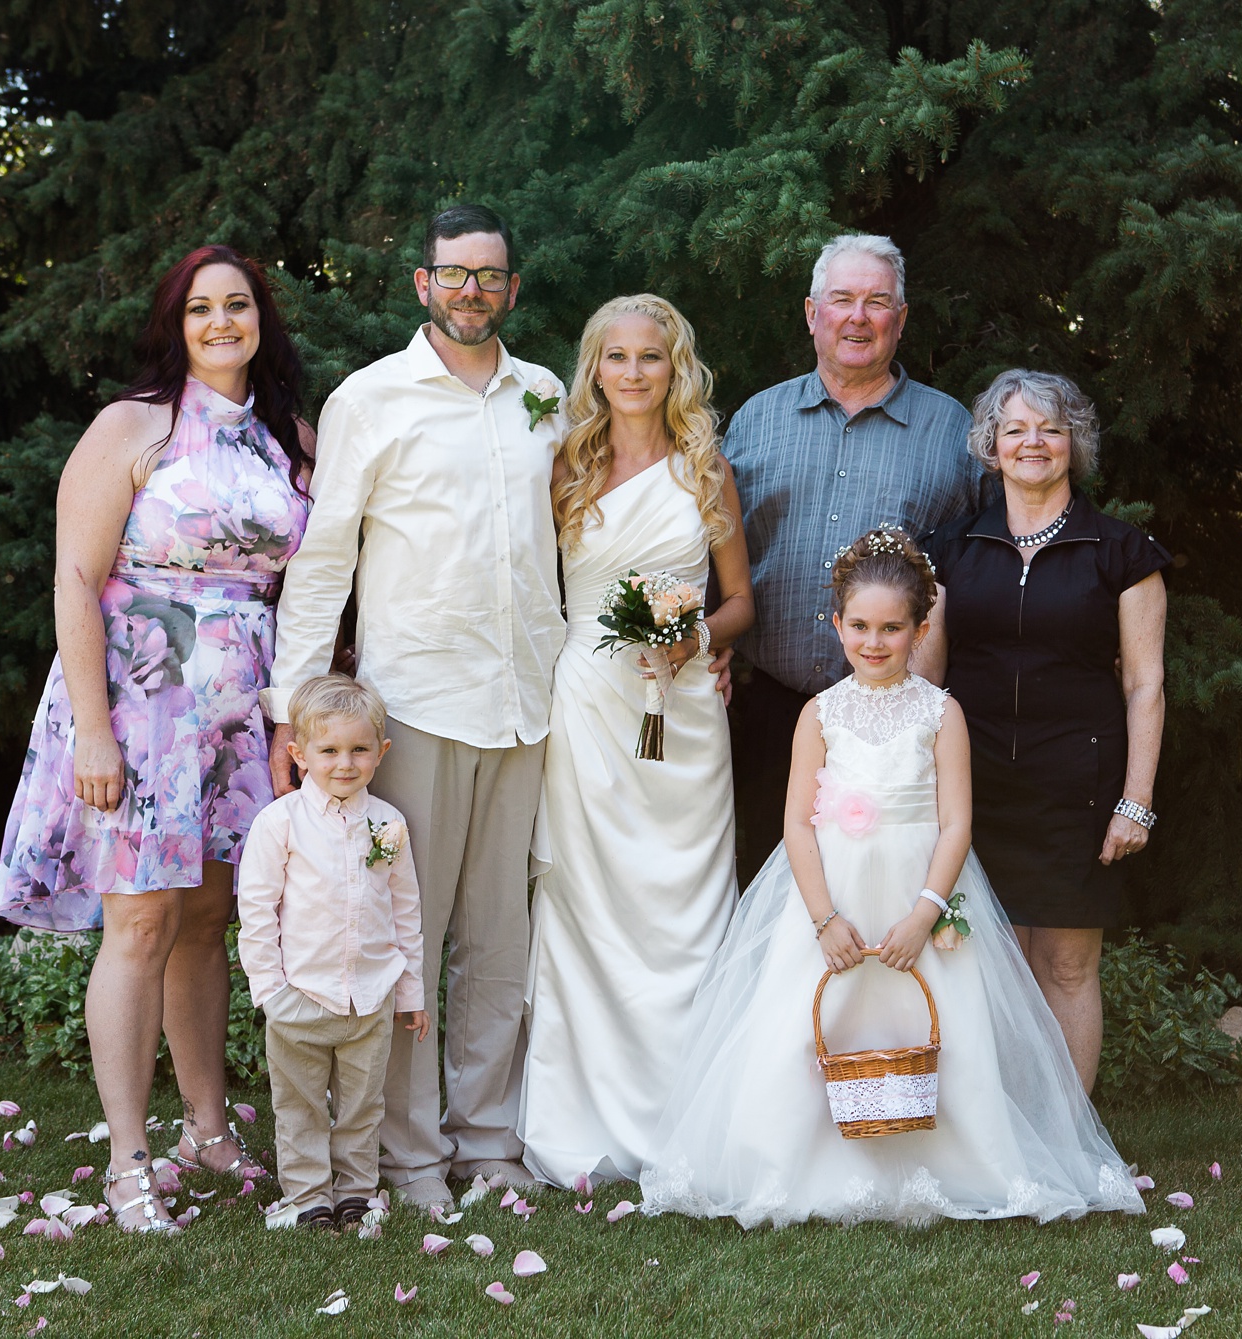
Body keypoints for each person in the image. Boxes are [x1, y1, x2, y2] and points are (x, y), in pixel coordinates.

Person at [640, 530, 1144, 1227]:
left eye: (892, 628)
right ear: (836, 622)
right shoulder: (818, 713)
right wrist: (823, 917)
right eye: (860, 626)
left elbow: (956, 824)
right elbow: (796, 825)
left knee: (938, 1021)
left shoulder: (942, 712)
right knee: (811, 1020)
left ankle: (949, 1159)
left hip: (919, 890)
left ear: (920, 627)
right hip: (834, 895)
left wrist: (925, 912)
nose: (874, 642)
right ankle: (795, 1156)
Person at [0, 244, 311, 1230]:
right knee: (139, 923)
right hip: (142, 705)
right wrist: (94, 728)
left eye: (238, 305)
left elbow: (309, 579)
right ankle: (129, 1158)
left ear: (263, 317)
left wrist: (291, 714)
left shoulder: (292, 435)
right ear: (175, 324)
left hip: (240, 711)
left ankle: (206, 1128)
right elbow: (75, 582)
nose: (222, 322)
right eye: (200, 308)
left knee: (209, 919)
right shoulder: (133, 426)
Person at [262, 204, 564, 1211]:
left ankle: (487, 1138)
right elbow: (325, 560)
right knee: (408, 938)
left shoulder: (546, 397)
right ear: (421, 284)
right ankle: (414, 1153)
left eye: (491, 274)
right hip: (419, 703)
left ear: (511, 289)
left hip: (527, 701)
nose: (473, 289)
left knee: (500, 937)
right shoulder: (371, 399)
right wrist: (291, 708)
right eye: (455, 273)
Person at [519, 295, 755, 1187]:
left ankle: (689, 1116)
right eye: (614, 357)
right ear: (594, 368)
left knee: (684, 908)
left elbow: (742, 601)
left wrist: (695, 639)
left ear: (675, 368)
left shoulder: (707, 470)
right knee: (586, 907)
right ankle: (580, 1122)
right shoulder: (564, 469)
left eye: (649, 357)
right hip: (587, 707)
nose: (631, 373)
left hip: (685, 713)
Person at [920, 369, 1169, 1091]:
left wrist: (1136, 798)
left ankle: (1070, 1148)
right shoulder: (951, 547)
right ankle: (997, 1142)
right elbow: (928, 682)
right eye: (1015, 428)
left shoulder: (1122, 552)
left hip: (1078, 788)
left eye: (1051, 428)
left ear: (1074, 444)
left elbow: (1144, 682)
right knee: (980, 963)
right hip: (977, 787)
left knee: (1064, 965)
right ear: (991, 447)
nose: (1033, 442)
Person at [723, 234, 988, 885]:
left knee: (882, 892)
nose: (858, 317)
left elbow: (983, 566)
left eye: (877, 302)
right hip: (766, 715)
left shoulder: (953, 432)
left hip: (892, 729)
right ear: (812, 313)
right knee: (765, 895)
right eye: (842, 300)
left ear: (900, 320)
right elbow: (713, 551)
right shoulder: (757, 419)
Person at [237, 675, 428, 1232]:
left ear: (380, 752)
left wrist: (409, 992)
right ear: (298, 754)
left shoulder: (388, 824)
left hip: (370, 995)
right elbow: (257, 911)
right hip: (300, 992)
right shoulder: (279, 824)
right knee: (299, 1105)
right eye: (328, 750)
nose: (344, 763)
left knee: (363, 1106)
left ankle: (355, 1192)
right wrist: (270, 989)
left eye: (359, 749)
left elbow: (406, 912)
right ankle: (307, 1196)